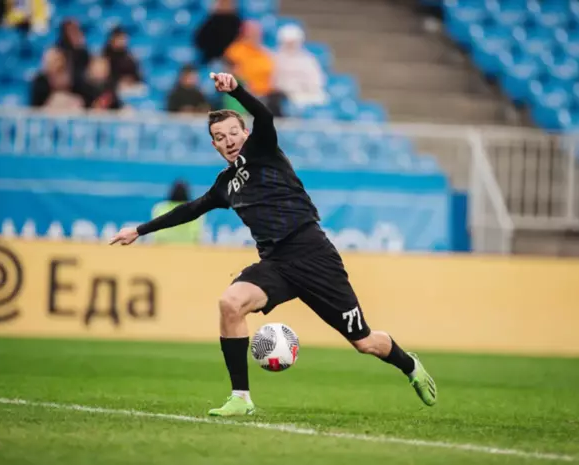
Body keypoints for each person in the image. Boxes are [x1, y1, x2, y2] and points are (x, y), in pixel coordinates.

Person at [109, 72, 437, 416]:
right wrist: (140, 230)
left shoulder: (263, 150)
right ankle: (241, 398)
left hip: (314, 255)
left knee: (364, 342)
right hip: (276, 264)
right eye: (219, 137)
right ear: (214, 146)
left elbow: (264, 115)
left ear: (245, 134)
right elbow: (190, 210)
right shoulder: (225, 185)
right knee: (230, 303)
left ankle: (410, 365)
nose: (228, 140)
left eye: (233, 133)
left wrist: (236, 90)